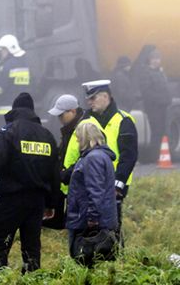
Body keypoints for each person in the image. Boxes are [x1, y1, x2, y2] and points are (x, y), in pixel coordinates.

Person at [0, 93, 60, 273]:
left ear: (14, 110)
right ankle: (32, 279)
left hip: (11, 200)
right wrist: (52, 203)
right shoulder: (47, 136)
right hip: (37, 202)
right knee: (32, 249)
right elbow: (55, 174)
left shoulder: (9, 133)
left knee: (0, 246)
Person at [65, 80, 138, 246]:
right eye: (88, 99)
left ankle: (114, 255)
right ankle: (93, 256)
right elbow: (75, 150)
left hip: (115, 183)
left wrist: (118, 185)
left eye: (93, 98)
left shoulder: (124, 120)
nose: (89, 102)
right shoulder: (87, 120)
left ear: (106, 96)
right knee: (90, 225)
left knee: (112, 224)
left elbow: (129, 156)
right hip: (90, 180)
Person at [67, 122, 118, 266]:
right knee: (101, 263)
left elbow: (95, 191)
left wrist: (92, 219)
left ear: (85, 137)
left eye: (78, 137)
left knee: (84, 260)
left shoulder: (92, 158)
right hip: (102, 220)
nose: (77, 141)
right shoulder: (101, 156)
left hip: (88, 221)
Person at [43, 94, 84, 229]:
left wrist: (66, 174)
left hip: (77, 182)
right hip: (68, 182)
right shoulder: (69, 129)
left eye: (61, 115)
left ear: (72, 111)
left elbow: (86, 157)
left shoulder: (83, 128)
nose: (59, 118)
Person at [135, 46, 172, 164]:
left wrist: (168, 99)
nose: (156, 61)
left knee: (162, 131)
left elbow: (165, 88)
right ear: (149, 60)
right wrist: (161, 99)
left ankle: (160, 155)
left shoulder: (160, 72)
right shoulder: (146, 73)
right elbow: (147, 92)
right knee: (156, 132)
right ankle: (154, 157)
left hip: (163, 107)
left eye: (158, 58)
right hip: (153, 108)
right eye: (154, 58)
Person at [0, 35, 31, 124]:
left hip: (5, 112)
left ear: (9, 49)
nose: (1, 52)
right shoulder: (25, 64)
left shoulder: (7, 65)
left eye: (3, 49)